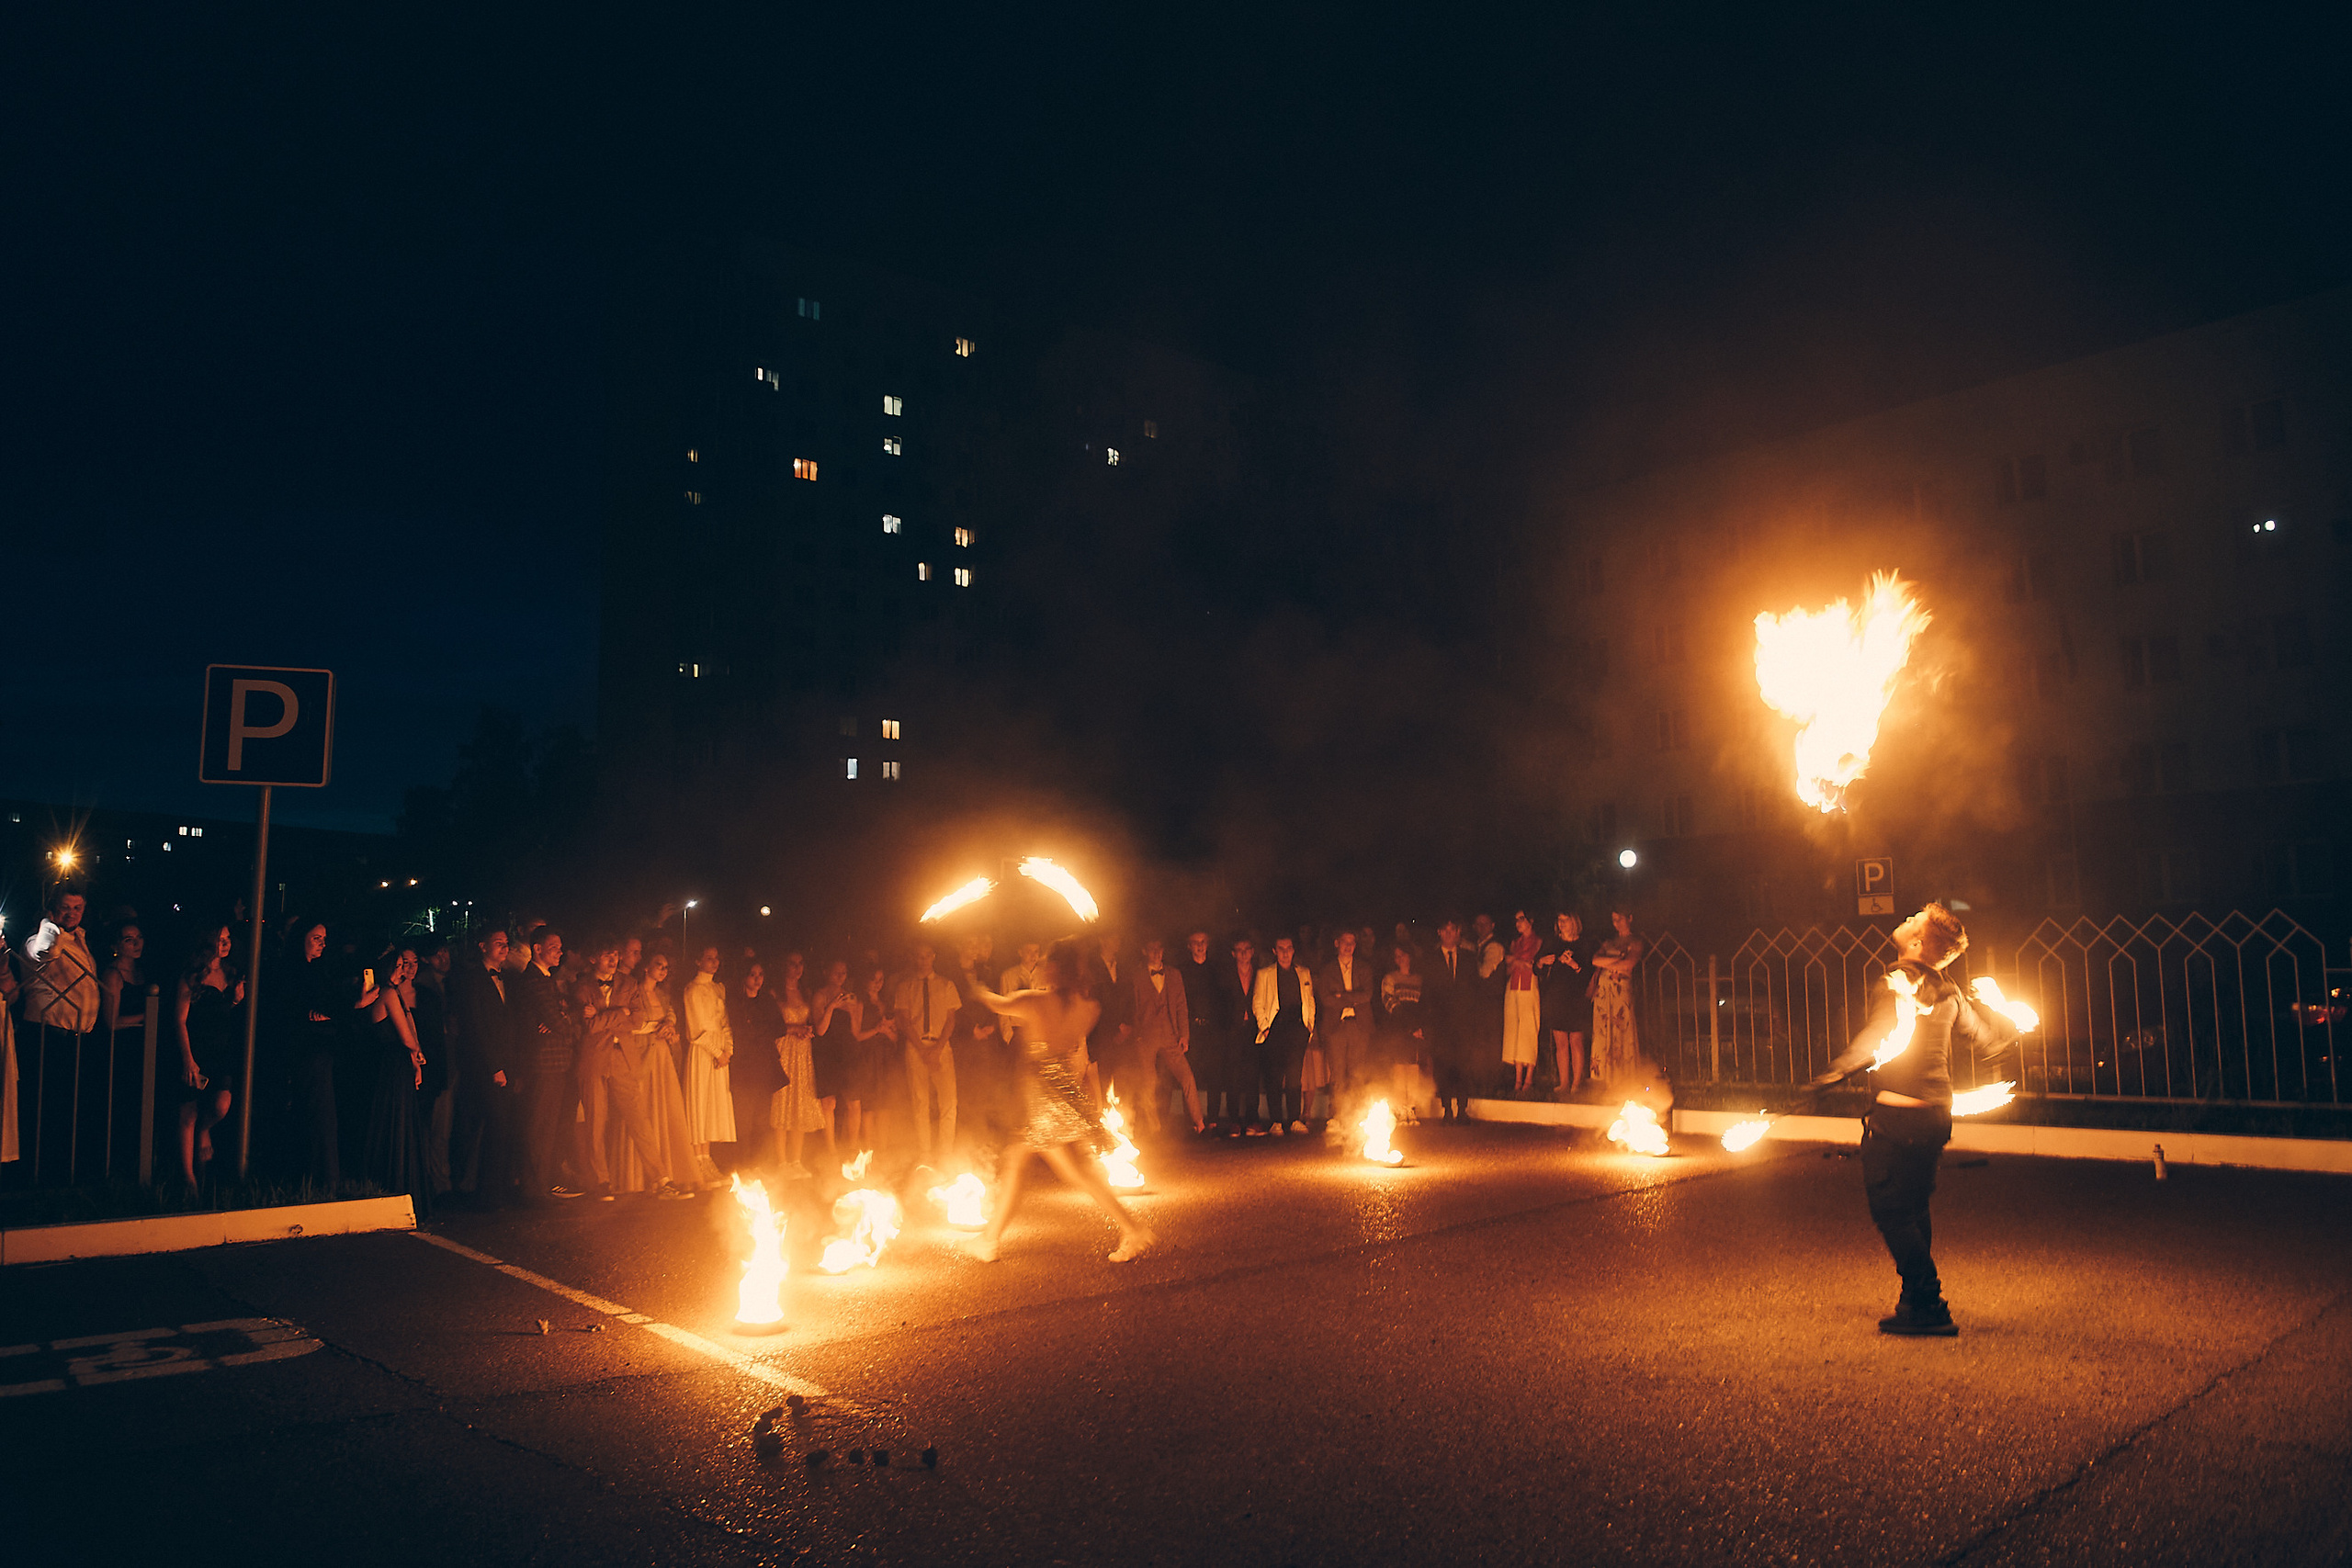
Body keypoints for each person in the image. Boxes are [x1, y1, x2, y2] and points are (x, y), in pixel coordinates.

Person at [1792, 904, 2022, 1336]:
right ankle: (1914, 1301)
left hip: (1897, 1119)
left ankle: (1929, 1300)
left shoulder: (1897, 983)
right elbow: (1988, 1040)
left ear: (1917, 943)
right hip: (1937, 1117)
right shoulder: (1950, 991)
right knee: (1914, 1207)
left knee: (1891, 1211)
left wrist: (1829, 1075)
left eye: (1914, 920)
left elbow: (1878, 1037)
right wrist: (2009, 1035)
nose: (1906, 919)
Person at [966, 940, 1157, 1264]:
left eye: (1046, 964)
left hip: (1043, 1099)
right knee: (1019, 1162)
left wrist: (970, 972)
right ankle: (990, 1239)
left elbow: (989, 1000)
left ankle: (1133, 1229)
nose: (1042, 968)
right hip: (1064, 1092)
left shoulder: (1032, 1001)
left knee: (1074, 1173)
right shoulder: (1088, 1009)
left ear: (1053, 969)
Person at [356, 945, 432, 1216]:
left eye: (404, 966)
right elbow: (406, 1036)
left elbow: (411, 1031)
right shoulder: (387, 993)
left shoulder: (393, 992)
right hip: (392, 1064)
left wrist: (416, 1060)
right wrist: (416, 1055)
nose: (403, 971)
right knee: (395, 1126)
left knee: (401, 1125)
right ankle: (395, 1186)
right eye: (398, 966)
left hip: (398, 1063)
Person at [169, 924, 243, 1189]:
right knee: (188, 1112)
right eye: (220, 939)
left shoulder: (231, 972)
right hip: (196, 1048)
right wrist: (188, 1058)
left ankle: (205, 1129)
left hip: (222, 1050)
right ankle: (187, 1177)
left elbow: (226, 1014)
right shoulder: (192, 975)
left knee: (221, 1104)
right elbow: (180, 1020)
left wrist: (234, 1001)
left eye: (228, 938)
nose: (225, 943)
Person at [515, 928, 588, 1201]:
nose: (560, 951)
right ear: (537, 949)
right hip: (545, 1064)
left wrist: (564, 1015)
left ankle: (545, 1182)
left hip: (558, 1063)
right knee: (540, 1127)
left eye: (560, 947)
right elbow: (557, 1021)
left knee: (552, 1127)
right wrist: (569, 1017)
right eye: (554, 946)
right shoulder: (534, 980)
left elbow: (560, 1016)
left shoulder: (547, 980)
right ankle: (534, 1189)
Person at [447, 927, 517, 1205]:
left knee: (502, 1126)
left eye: (506, 943)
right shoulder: (471, 979)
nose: (504, 947)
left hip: (507, 1061)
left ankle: (494, 1188)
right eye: (497, 943)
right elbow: (475, 1026)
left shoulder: (509, 978)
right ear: (482, 946)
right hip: (483, 1064)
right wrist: (494, 1067)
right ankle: (482, 1190)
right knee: (486, 1124)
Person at [622, 950, 700, 1190]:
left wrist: (668, 1026)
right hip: (640, 1054)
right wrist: (654, 1029)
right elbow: (630, 1023)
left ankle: (668, 1168)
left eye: (666, 967)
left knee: (665, 1106)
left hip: (661, 1055)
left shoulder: (663, 994)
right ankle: (638, 1174)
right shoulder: (633, 991)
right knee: (641, 1107)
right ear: (646, 967)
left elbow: (670, 1014)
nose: (663, 970)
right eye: (659, 965)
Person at [278, 919, 345, 1186]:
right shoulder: (289, 971)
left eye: (324, 938)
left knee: (324, 1115)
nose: (322, 943)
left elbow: (331, 1006)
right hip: (304, 1051)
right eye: (317, 937)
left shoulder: (320, 971)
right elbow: (289, 1011)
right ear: (301, 938)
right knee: (314, 1114)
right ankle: (313, 1178)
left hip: (323, 1047)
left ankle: (324, 1178)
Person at [892, 942, 961, 1167]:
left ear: (933, 957)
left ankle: (946, 1153)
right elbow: (903, 1019)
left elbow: (951, 1019)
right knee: (920, 1101)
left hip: (941, 1047)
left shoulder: (946, 985)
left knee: (949, 1100)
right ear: (915, 958)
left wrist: (938, 1048)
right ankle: (925, 1152)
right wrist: (922, 1051)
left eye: (926, 956)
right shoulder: (905, 987)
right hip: (916, 1047)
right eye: (919, 957)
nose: (923, 961)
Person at [1131, 938, 1204, 1134]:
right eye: (1152, 949)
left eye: (1159, 949)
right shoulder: (1137, 976)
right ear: (1144, 951)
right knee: (1149, 1081)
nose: (1156, 953)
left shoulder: (1174, 974)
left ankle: (1199, 1122)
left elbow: (1181, 1006)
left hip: (1170, 1034)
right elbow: (1133, 1007)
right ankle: (1154, 1126)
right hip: (1146, 1037)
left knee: (1186, 1076)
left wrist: (1184, 1035)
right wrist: (1136, 1035)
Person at [681, 945, 736, 1188]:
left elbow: (725, 1022)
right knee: (699, 1102)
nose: (714, 962)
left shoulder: (717, 988)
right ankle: (697, 1161)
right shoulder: (692, 990)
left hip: (719, 1051)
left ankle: (707, 1157)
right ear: (697, 960)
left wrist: (727, 1050)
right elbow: (695, 1030)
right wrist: (716, 1052)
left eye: (716, 958)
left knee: (712, 1104)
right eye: (709, 958)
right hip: (702, 1051)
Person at [1250, 935, 1317, 1134]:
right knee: (1275, 1077)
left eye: (1289, 948)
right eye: (1281, 948)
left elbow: (1310, 1000)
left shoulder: (1304, 973)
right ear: (1274, 951)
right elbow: (1258, 1002)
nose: (1285, 953)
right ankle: (1276, 1121)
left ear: (1294, 950)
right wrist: (1265, 1028)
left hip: (1297, 1029)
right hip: (1275, 1029)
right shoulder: (1265, 974)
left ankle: (1294, 1119)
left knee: (1295, 1077)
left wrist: (1309, 1026)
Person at [728, 961, 786, 1173]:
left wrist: (758, 1028)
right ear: (745, 977)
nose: (757, 978)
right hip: (744, 1068)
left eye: (761, 974)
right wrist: (759, 1029)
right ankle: (742, 1165)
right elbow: (740, 1030)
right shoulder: (736, 1002)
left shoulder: (766, 1001)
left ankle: (757, 1164)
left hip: (764, 1066)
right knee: (744, 1119)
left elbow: (779, 1027)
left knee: (762, 1119)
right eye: (753, 974)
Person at [770, 953, 825, 1173]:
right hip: (785, 1050)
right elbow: (773, 1025)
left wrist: (807, 1030)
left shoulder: (806, 992)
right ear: (784, 966)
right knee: (783, 1103)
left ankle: (796, 1161)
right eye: (793, 964)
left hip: (802, 1052)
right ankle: (782, 1162)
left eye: (801, 963)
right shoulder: (775, 993)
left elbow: (811, 1021)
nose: (797, 968)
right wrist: (795, 1030)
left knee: (800, 1103)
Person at [411, 936, 453, 1193]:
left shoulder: (448, 983)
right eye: (438, 954)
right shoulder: (423, 990)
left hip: (447, 1061)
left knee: (442, 1125)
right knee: (435, 1125)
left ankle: (439, 1179)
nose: (445, 958)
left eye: (446, 952)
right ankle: (435, 1181)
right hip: (433, 1063)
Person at [812, 959, 867, 1156]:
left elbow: (856, 1032)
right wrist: (832, 1007)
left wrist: (853, 1011)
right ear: (827, 972)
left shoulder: (851, 997)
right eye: (836, 972)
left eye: (844, 973)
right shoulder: (820, 995)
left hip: (849, 1053)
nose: (840, 977)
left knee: (854, 1102)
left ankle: (852, 1148)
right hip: (828, 1053)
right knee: (829, 1103)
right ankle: (831, 1151)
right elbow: (820, 1030)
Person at [1317, 929, 1374, 1118]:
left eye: (1352, 943)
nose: (1348, 946)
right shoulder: (1327, 970)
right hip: (1337, 1026)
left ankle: (1356, 1116)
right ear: (1337, 943)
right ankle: (1337, 1116)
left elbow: (1367, 995)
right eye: (1345, 942)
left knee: (1357, 1074)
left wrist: (1342, 996)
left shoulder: (1364, 968)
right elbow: (1326, 999)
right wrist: (1353, 998)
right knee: (1338, 1075)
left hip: (1359, 1025)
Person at [1588, 909, 1645, 1087]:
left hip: (1621, 992)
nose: (1616, 923)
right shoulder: (1609, 942)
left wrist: (1611, 962)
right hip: (1603, 993)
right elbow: (1595, 960)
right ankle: (1602, 1078)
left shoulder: (1635, 942)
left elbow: (1629, 964)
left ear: (1630, 918)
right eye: (1613, 920)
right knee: (1603, 1032)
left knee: (1621, 1030)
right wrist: (1617, 961)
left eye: (1620, 919)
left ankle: (1623, 1079)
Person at [1538, 913, 1593, 1098]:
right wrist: (1541, 962)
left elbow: (1589, 973)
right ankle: (1564, 1083)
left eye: (1565, 920)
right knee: (1560, 1043)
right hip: (1556, 998)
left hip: (1576, 999)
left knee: (1576, 1041)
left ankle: (1577, 1083)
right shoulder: (1552, 943)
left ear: (1574, 922)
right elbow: (1536, 967)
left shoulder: (1584, 944)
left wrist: (1573, 964)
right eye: (1559, 920)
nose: (1561, 924)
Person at [1422, 919, 1473, 1120]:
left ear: (1458, 932)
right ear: (1439, 932)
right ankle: (1447, 1110)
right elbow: (1426, 993)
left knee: (1463, 1065)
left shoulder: (1469, 958)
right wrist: (1427, 1023)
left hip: (1463, 1023)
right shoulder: (1430, 959)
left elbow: (1474, 991)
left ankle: (1462, 1109)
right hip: (1440, 1023)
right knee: (1443, 1065)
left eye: (1453, 930)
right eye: (1446, 930)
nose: (1450, 934)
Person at [854, 964, 903, 1153]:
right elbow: (857, 1035)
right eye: (873, 980)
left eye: (880, 980)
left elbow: (896, 1038)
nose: (877, 984)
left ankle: (882, 1149)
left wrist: (888, 1032)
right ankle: (868, 1149)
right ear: (865, 980)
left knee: (885, 1104)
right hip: (868, 1058)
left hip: (886, 1058)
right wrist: (877, 1030)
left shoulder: (887, 1004)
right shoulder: (860, 1003)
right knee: (869, 1105)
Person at [1377, 942, 1429, 1123]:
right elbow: (1390, 1003)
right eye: (1396, 956)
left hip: (1415, 1029)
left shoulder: (1419, 980)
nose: (1399, 959)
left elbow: (1423, 1005)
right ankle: (1400, 1108)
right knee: (1399, 1068)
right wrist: (1410, 1027)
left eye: (1403, 955)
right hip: (1397, 1029)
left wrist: (1419, 1027)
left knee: (1413, 1068)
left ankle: (1411, 1108)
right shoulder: (1390, 978)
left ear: (1410, 956)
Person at [1503, 911, 1544, 1095]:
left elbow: (1534, 965)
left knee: (1528, 1028)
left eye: (1522, 919)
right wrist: (1518, 962)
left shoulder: (1538, 942)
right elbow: (1508, 967)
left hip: (1529, 987)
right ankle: (1517, 1077)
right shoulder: (1515, 943)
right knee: (1514, 1030)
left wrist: (1518, 961)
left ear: (1531, 921)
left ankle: (1529, 1077)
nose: (1518, 923)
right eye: (1516, 920)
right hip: (1513, 988)